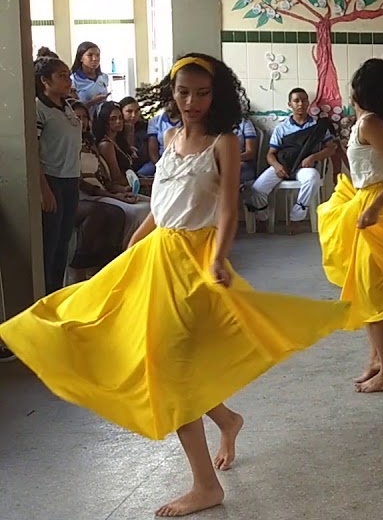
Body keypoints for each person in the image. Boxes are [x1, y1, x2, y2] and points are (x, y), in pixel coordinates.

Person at [0, 53, 349, 517]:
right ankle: (227, 419)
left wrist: (220, 256)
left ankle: (206, 485)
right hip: (156, 255)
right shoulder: (168, 136)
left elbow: (227, 209)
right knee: (152, 352)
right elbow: (162, 208)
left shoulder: (223, 142)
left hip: (195, 262)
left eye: (203, 93)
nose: (192, 102)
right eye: (184, 92)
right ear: (173, 92)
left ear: (217, 95)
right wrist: (132, 245)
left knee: (172, 370)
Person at [318, 58, 383, 393]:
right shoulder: (367, 122)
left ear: (360, 89)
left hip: (380, 208)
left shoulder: (371, 123)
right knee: (364, 287)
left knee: (372, 293)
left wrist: (375, 207)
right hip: (368, 200)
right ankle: (377, 361)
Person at [246, 88, 337, 224]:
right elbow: (271, 154)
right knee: (257, 189)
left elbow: (331, 148)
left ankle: (296, 218)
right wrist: (277, 166)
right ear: (290, 104)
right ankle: (263, 215)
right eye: (296, 101)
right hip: (283, 166)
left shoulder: (318, 126)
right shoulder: (282, 128)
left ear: (308, 103)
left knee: (313, 178)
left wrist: (313, 158)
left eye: (304, 100)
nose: (301, 104)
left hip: (303, 168)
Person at [33, 48, 83, 296]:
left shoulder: (68, 107)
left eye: (68, 76)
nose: (68, 81)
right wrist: (44, 190)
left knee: (64, 240)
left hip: (71, 179)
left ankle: (57, 292)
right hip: (52, 180)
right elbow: (33, 152)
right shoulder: (39, 109)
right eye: (62, 76)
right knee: (50, 242)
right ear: (45, 81)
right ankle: (43, 293)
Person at [73, 102, 149, 243]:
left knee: (150, 205)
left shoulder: (89, 144)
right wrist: (116, 194)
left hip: (102, 190)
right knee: (137, 211)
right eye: (77, 117)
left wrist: (120, 190)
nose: (81, 121)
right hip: (86, 194)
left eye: (84, 117)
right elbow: (83, 184)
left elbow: (103, 177)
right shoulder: (100, 145)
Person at [93, 101, 139, 194]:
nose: (118, 122)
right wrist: (148, 182)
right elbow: (117, 178)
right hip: (123, 189)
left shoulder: (119, 141)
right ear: (104, 121)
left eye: (120, 118)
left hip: (132, 183)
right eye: (113, 119)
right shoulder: (106, 145)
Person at [141, 104, 182, 178]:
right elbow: (152, 149)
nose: (170, 105)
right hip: (160, 160)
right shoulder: (155, 121)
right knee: (141, 174)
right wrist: (160, 167)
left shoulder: (188, 120)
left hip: (181, 160)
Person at [69, 41, 111, 114]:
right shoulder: (73, 80)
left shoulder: (104, 77)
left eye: (97, 55)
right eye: (90, 55)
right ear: (81, 58)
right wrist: (93, 101)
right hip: (84, 121)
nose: (95, 59)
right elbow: (73, 109)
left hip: (102, 120)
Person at [232, 90, 259, 189]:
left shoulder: (245, 124)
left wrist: (231, 160)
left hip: (243, 165)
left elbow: (250, 153)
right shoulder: (215, 126)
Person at [119, 96, 148, 174]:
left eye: (137, 111)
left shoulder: (145, 128)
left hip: (145, 166)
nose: (134, 115)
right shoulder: (117, 131)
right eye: (129, 111)